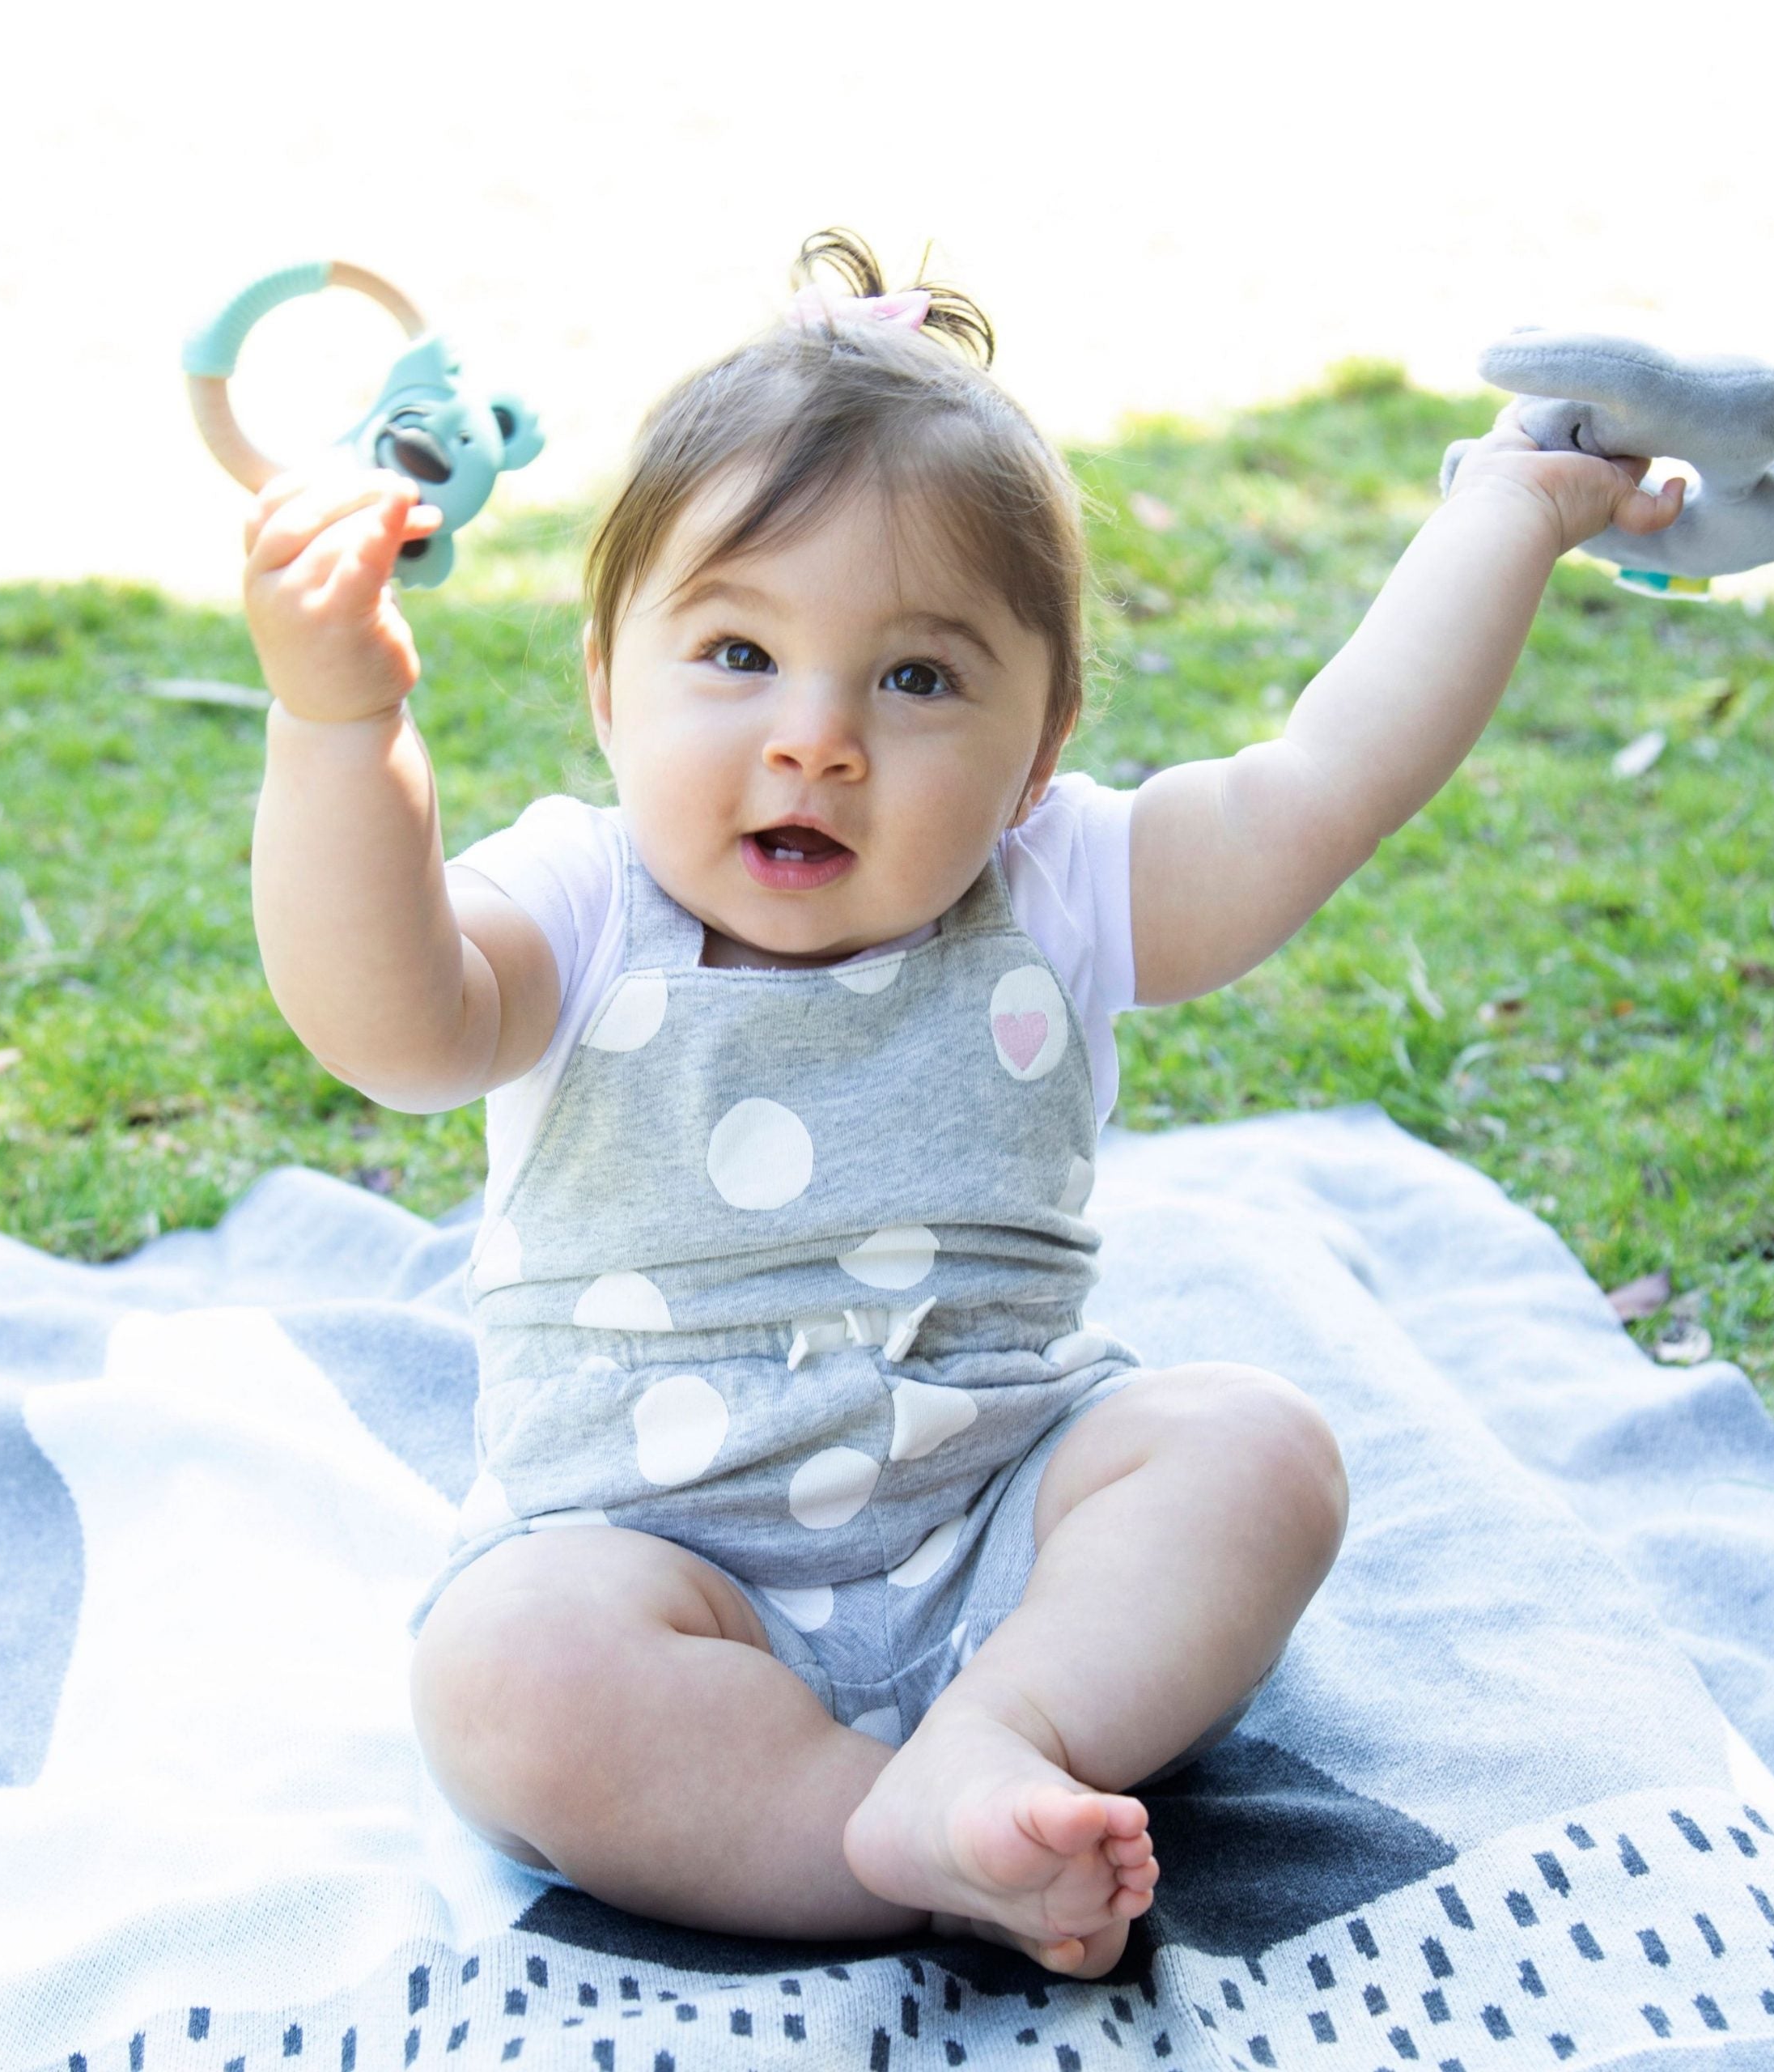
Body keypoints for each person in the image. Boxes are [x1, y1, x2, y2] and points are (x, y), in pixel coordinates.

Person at [242, 229, 1683, 1977]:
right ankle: (882, 1839)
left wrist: (1505, 516)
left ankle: (1003, 1736)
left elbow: (1323, 781)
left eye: (916, 677)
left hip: (1006, 1539)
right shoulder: (579, 900)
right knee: (508, 1670)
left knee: (1249, 1448)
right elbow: (389, 1022)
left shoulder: (1057, 889)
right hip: (656, 1572)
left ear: (1041, 744)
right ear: (606, 683)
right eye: (734, 654)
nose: (816, 736)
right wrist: (338, 728)